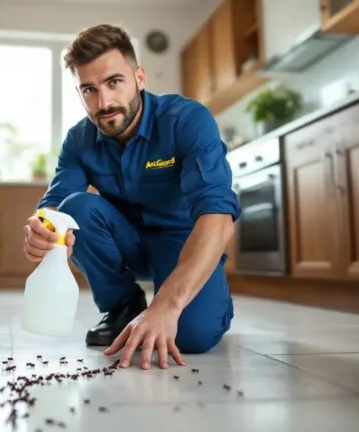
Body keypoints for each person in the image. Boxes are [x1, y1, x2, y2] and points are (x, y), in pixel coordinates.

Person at [22, 24, 241, 371]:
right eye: (90, 90)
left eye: (114, 82)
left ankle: (195, 300)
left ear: (139, 78)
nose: (104, 102)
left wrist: (166, 306)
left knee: (193, 336)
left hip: (182, 242)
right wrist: (40, 229)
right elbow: (54, 205)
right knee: (74, 208)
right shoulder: (79, 140)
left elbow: (218, 217)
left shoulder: (186, 121)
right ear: (80, 94)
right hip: (126, 240)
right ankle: (124, 305)